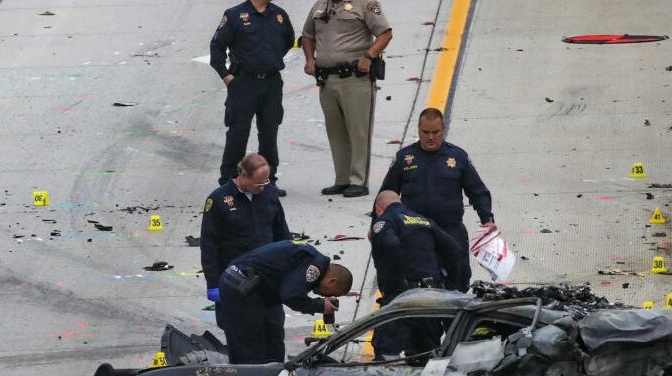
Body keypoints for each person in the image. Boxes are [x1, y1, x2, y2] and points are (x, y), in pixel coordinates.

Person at [380, 108, 495, 292]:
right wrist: (376, 227)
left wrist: (487, 219)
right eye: (425, 132)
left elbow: (478, 192)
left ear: (444, 130)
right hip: (417, 233)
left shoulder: (458, 157)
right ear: (418, 130)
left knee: (460, 279)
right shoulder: (405, 158)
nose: (431, 137)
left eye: (436, 132)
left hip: (451, 230)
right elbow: (386, 195)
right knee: (422, 284)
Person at [301, 0, 392, 198]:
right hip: (327, 79)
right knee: (336, 131)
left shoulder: (365, 4)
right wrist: (309, 59)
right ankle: (342, 179)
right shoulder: (320, 5)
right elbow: (307, 36)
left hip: (355, 78)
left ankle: (359, 181)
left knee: (359, 130)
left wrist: (369, 56)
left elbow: (385, 33)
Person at [210, 0, 296, 196]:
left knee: (269, 132)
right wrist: (227, 76)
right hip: (243, 83)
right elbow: (217, 47)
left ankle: (267, 181)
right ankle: (229, 181)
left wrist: (269, 59)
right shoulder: (234, 15)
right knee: (238, 132)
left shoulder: (278, 15)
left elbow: (288, 40)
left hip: (271, 83)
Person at [218, 241, 352, 364]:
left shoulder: (313, 261)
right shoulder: (314, 268)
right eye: (331, 293)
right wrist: (320, 305)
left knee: (273, 342)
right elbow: (290, 295)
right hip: (240, 287)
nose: (326, 296)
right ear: (332, 281)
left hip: (257, 291)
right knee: (249, 348)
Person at [369, 191, 466, 358]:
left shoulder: (385, 221)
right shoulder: (422, 220)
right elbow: (455, 250)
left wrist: (398, 283)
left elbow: (391, 244)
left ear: (379, 209)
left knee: (385, 354)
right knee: (425, 356)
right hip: (430, 298)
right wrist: (448, 283)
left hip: (403, 299)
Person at [201, 153, 292, 323]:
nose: (263, 188)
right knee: (243, 338)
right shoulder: (219, 200)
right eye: (258, 183)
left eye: (266, 182)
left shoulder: (270, 194)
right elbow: (209, 245)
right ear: (243, 174)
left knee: (273, 333)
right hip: (235, 281)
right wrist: (213, 283)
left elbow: (282, 235)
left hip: (267, 280)